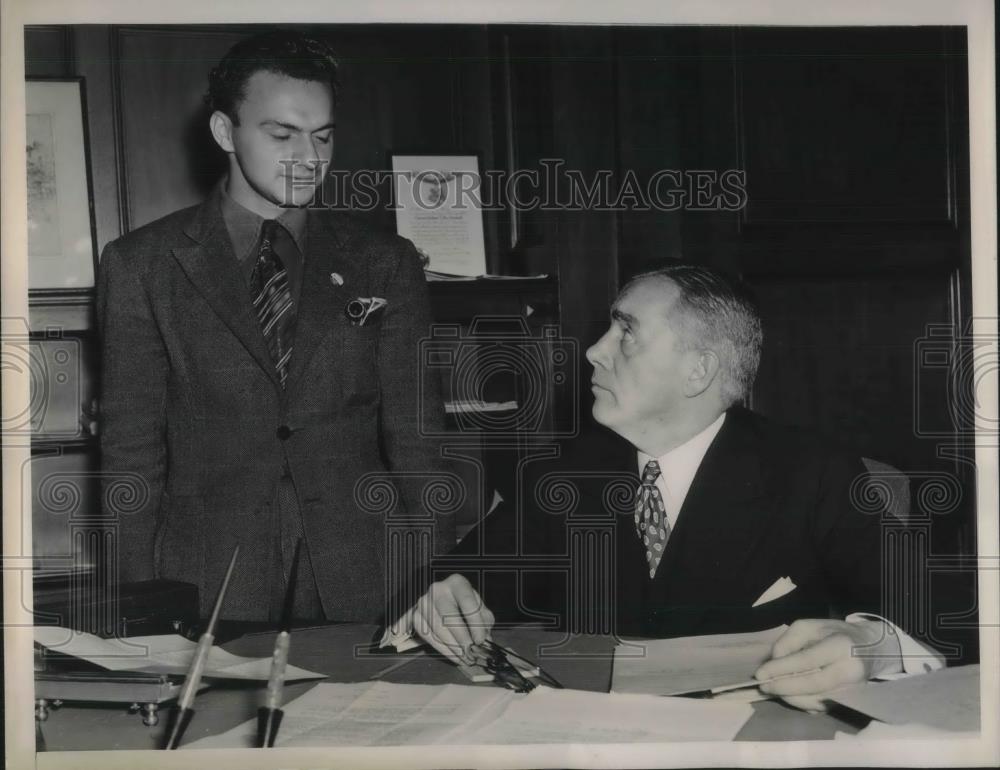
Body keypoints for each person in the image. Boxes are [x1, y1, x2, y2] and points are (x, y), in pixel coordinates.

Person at [387, 264, 956, 712]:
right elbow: (456, 580)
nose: (594, 350)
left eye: (626, 331)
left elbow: (936, 613)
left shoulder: (814, 474)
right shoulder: (560, 475)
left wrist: (872, 646)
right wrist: (442, 596)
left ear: (698, 371)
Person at [97, 29, 453, 624]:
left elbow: (419, 440)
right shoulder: (142, 264)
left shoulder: (385, 262)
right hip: (206, 577)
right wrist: (141, 603)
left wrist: (439, 574)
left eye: (322, 136)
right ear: (223, 132)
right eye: (281, 134)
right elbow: (130, 453)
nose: (308, 158)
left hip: (367, 576)